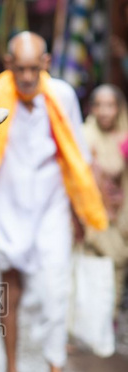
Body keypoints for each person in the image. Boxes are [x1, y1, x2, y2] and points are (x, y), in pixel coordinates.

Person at [0, 32, 108, 372]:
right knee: (9, 292)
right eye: (19, 68)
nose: (27, 76)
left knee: (56, 292)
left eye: (34, 68)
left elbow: (75, 153)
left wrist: (81, 213)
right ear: (9, 64)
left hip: (51, 207)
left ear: (45, 63)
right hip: (7, 207)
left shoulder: (61, 97)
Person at [82, 85, 128, 317]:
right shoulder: (85, 136)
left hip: (121, 217)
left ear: (118, 109)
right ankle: (89, 323)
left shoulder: (123, 137)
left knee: (117, 268)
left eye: (110, 105)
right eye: (99, 105)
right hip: (94, 218)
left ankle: (108, 321)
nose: (104, 111)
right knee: (97, 267)